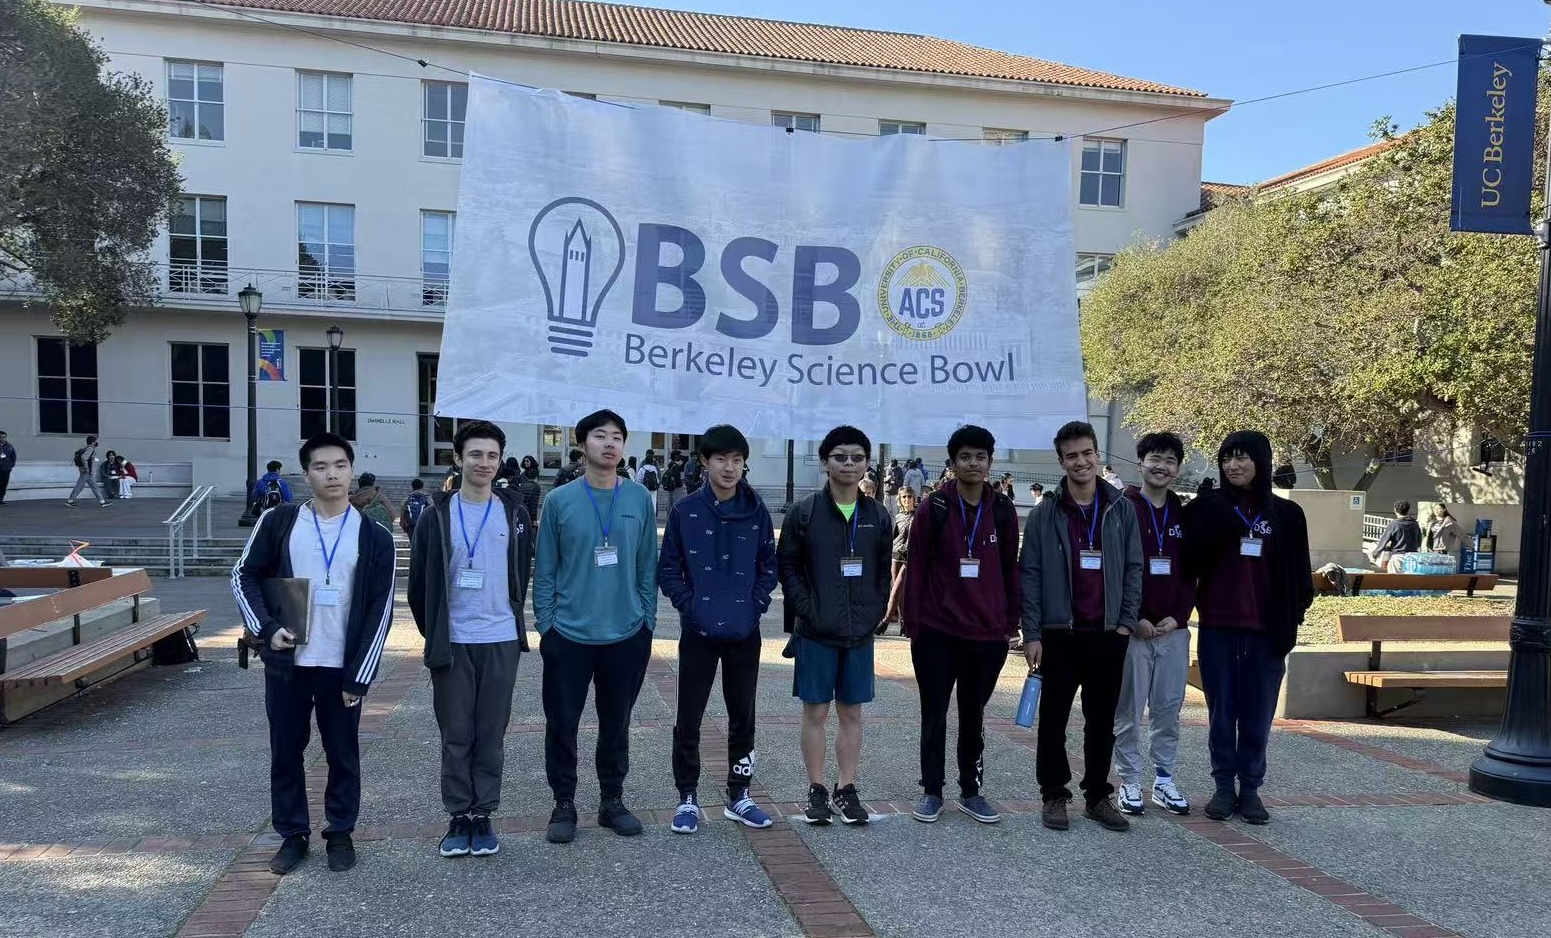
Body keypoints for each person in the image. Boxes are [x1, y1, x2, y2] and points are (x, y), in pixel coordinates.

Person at [231, 432, 397, 875]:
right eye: (321, 467)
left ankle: (340, 831)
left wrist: (359, 675)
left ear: (351, 469)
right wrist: (267, 630)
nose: (332, 474)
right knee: (286, 751)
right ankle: (293, 834)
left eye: (340, 465)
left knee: (343, 753)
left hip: (340, 667)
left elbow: (380, 608)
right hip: (289, 665)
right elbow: (243, 575)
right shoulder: (280, 522)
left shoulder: (373, 534)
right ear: (306, 475)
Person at [408, 421, 533, 859]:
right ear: (458, 459)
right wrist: (438, 633)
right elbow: (418, 583)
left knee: (491, 733)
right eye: (475, 454)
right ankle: (458, 814)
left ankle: (484, 814)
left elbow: (521, 572)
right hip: (455, 641)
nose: (484, 463)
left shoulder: (514, 513)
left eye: (492, 455)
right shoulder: (435, 514)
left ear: (500, 461)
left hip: (499, 638)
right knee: (456, 733)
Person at [533, 410, 658, 844]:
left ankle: (612, 800)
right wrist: (546, 624)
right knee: (562, 722)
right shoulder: (559, 500)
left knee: (617, 722)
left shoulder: (640, 497)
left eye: (617, 437)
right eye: (600, 436)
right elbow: (545, 568)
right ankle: (563, 801)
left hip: (626, 633)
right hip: (568, 634)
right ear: (581, 443)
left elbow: (647, 564)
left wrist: (647, 621)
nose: (609, 443)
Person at [1183, 430, 1313, 825]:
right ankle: (1224, 787)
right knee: (1222, 712)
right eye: (1226, 459)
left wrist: (1292, 619)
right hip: (1220, 627)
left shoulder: (1287, 515)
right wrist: (1202, 512)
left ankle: (1251, 789)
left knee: (1258, 714)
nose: (1233, 466)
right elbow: (1187, 562)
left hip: (1266, 633)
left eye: (1241, 458)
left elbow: (1300, 578)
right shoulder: (1209, 507)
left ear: (1261, 462)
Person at [1019, 420, 1142, 833]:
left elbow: (1134, 569)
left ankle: (1096, 796)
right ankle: (1054, 793)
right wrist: (1031, 633)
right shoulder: (1045, 512)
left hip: (1107, 634)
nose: (1081, 461)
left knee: (1101, 720)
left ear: (1097, 455)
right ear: (1061, 461)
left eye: (1087, 453)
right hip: (1059, 633)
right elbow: (1030, 574)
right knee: (1053, 719)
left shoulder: (1122, 508)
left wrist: (1126, 623)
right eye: (1071, 455)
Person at [660, 425, 779, 834]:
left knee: (742, 714)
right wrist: (689, 607)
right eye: (720, 459)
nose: (729, 468)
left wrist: (755, 605)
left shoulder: (757, 509)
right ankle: (687, 796)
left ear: (744, 464)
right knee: (689, 713)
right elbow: (669, 568)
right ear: (705, 462)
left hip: (744, 630)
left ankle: (739, 794)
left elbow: (769, 565)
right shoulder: (686, 510)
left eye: (736, 460)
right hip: (699, 630)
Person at [902, 425, 1022, 826]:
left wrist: (1011, 622)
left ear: (990, 461)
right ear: (952, 464)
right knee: (933, 712)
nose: (974, 463)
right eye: (965, 457)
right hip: (937, 632)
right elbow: (915, 568)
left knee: (974, 714)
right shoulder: (933, 508)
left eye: (981, 456)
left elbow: (1010, 568)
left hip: (987, 634)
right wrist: (913, 623)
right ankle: (932, 791)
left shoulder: (1002, 510)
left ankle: (971, 790)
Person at [778, 425, 892, 826]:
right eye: (840, 456)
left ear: (866, 464)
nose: (849, 464)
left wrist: (875, 610)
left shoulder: (878, 515)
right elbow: (788, 567)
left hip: (858, 632)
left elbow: (883, 572)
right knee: (815, 712)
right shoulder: (804, 513)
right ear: (826, 462)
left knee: (852, 713)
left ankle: (846, 788)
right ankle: (816, 788)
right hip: (816, 631)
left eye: (857, 457)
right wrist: (806, 609)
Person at [1114, 432, 1196, 817]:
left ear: (1177, 468)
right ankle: (1129, 781)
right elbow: (1116, 572)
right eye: (1154, 459)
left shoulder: (1183, 513)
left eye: (1169, 460)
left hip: (1173, 631)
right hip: (1135, 630)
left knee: (1167, 709)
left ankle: (1164, 779)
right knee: (1129, 710)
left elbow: (1190, 574)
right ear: (1140, 463)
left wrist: (1178, 617)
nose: (1161, 466)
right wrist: (1136, 617)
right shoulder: (1122, 508)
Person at [882, 486, 918, 635]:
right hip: (896, 554)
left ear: (914, 498)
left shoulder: (919, 514)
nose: (907, 499)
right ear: (900, 499)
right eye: (904, 497)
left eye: (909, 496)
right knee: (897, 591)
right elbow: (893, 536)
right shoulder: (898, 516)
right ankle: (903, 624)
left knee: (901, 588)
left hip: (912, 556)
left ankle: (888, 620)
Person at [1368, 500, 1422, 571]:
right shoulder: (1415, 524)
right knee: (1409, 580)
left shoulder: (1394, 524)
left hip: (1398, 556)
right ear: (1408, 510)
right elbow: (1419, 540)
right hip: (1412, 557)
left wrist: (1374, 554)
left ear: (1395, 510)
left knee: (1396, 580)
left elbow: (1383, 541)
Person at [65, 435, 107, 508]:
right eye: (95, 441)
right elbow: (83, 457)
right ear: (93, 442)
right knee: (79, 486)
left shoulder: (86, 448)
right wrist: (86, 467)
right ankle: (70, 501)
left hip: (88, 472)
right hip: (86, 472)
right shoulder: (90, 449)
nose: (97, 442)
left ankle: (102, 502)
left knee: (94, 486)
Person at [0, 430, 16, 506]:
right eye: (0, 437)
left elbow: (13, 456)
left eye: (4, 437)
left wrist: (11, 465)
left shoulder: (9, 446)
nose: (2, 439)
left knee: (4, 484)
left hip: (6, 469)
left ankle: (1, 500)